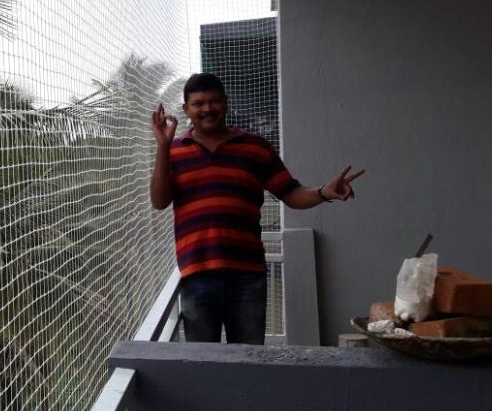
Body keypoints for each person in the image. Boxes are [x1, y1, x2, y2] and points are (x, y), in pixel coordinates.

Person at [149, 73, 364, 344]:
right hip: (198, 274)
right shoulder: (173, 151)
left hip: (247, 275)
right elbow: (159, 201)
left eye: (214, 101)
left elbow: (291, 193)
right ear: (186, 110)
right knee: (202, 365)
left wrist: (323, 193)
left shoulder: (255, 148)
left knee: (250, 360)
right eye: (198, 103)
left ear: (226, 103)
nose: (207, 109)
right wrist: (162, 146)